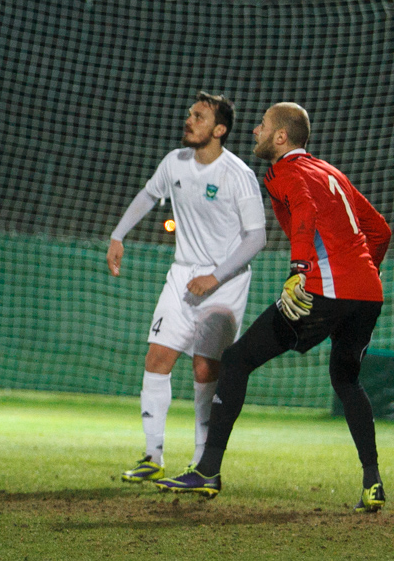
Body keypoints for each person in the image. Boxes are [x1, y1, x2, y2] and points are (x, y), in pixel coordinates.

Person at [158, 103, 390, 514]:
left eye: (263, 125)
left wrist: (299, 269)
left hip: (321, 290)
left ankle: (208, 470)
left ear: (281, 137)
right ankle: (373, 483)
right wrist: (365, 273)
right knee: (347, 380)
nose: (255, 131)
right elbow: (380, 230)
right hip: (367, 295)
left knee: (236, 360)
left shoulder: (286, 171)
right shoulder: (331, 172)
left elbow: (305, 210)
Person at [107, 92, 265, 482]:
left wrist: (216, 277)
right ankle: (152, 456)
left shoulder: (237, 174)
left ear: (220, 129)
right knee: (157, 358)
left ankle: (200, 462)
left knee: (205, 368)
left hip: (225, 281)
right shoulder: (174, 162)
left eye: (199, 116)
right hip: (182, 275)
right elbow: (148, 194)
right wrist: (118, 235)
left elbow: (256, 238)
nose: (189, 120)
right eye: (190, 114)